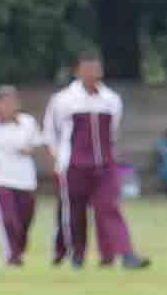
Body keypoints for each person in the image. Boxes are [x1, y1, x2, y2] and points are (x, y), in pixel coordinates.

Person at [48, 50, 148, 270]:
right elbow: (52, 132)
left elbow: (113, 131)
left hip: (104, 163)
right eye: (87, 69)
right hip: (73, 164)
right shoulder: (64, 100)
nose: (92, 73)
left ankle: (126, 254)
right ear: (77, 72)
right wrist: (58, 158)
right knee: (75, 211)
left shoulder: (110, 99)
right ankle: (77, 255)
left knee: (109, 207)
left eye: (96, 69)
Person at [0, 86, 53, 267]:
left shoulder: (27, 122)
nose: (8, 107)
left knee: (26, 217)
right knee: (8, 218)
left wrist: (27, 150)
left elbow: (35, 144)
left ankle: (19, 249)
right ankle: (12, 256)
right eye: (4, 103)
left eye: (12, 103)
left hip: (25, 178)